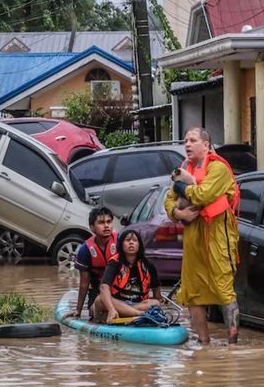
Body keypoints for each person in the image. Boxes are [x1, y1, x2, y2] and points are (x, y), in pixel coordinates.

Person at [163, 127, 240, 345]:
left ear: (205, 145)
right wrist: (178, 212)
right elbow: (167, 202)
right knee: (192, 292)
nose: (187, 144)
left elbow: (203, 194)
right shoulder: (185, 168)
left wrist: (181, 186)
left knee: (224, 290)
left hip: (217, 236)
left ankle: (232, 345)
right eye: (186, 140)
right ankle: (204, 343)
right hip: (192, 238)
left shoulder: (218, 169)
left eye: (193, 140)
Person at [92, 229, 162, 322]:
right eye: (127, 240)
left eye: (134, 240)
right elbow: (104, 287)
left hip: (137, 304)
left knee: (155, 303)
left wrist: (154, 306)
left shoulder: (148, 265)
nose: (131, 243)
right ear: (121, 244)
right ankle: (140, 315)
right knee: (100, 300)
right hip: (116, 303)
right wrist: (111, 309)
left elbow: (157, 294)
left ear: (139, 245)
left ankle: (126, 313)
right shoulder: (114, 263)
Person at [66, 206, 117, 319]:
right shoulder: (85, 250)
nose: (106, 226)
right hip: (97, 293)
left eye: (109, 222)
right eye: (101, 222)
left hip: (120, 291)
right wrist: (78, 310)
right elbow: (84, 283)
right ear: (92, 227)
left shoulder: (121, 243)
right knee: (95, 312)